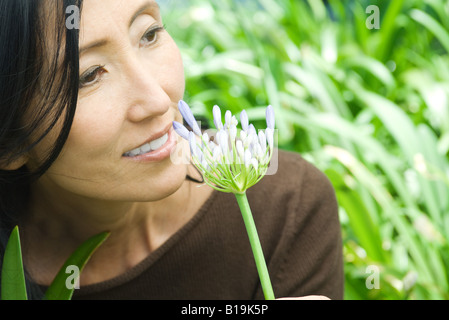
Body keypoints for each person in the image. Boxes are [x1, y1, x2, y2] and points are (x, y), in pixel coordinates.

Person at [0, 0, 343, 300]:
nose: (158, 99)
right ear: (9, 143)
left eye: (149, 34)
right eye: (89, 75)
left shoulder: (285, 206)